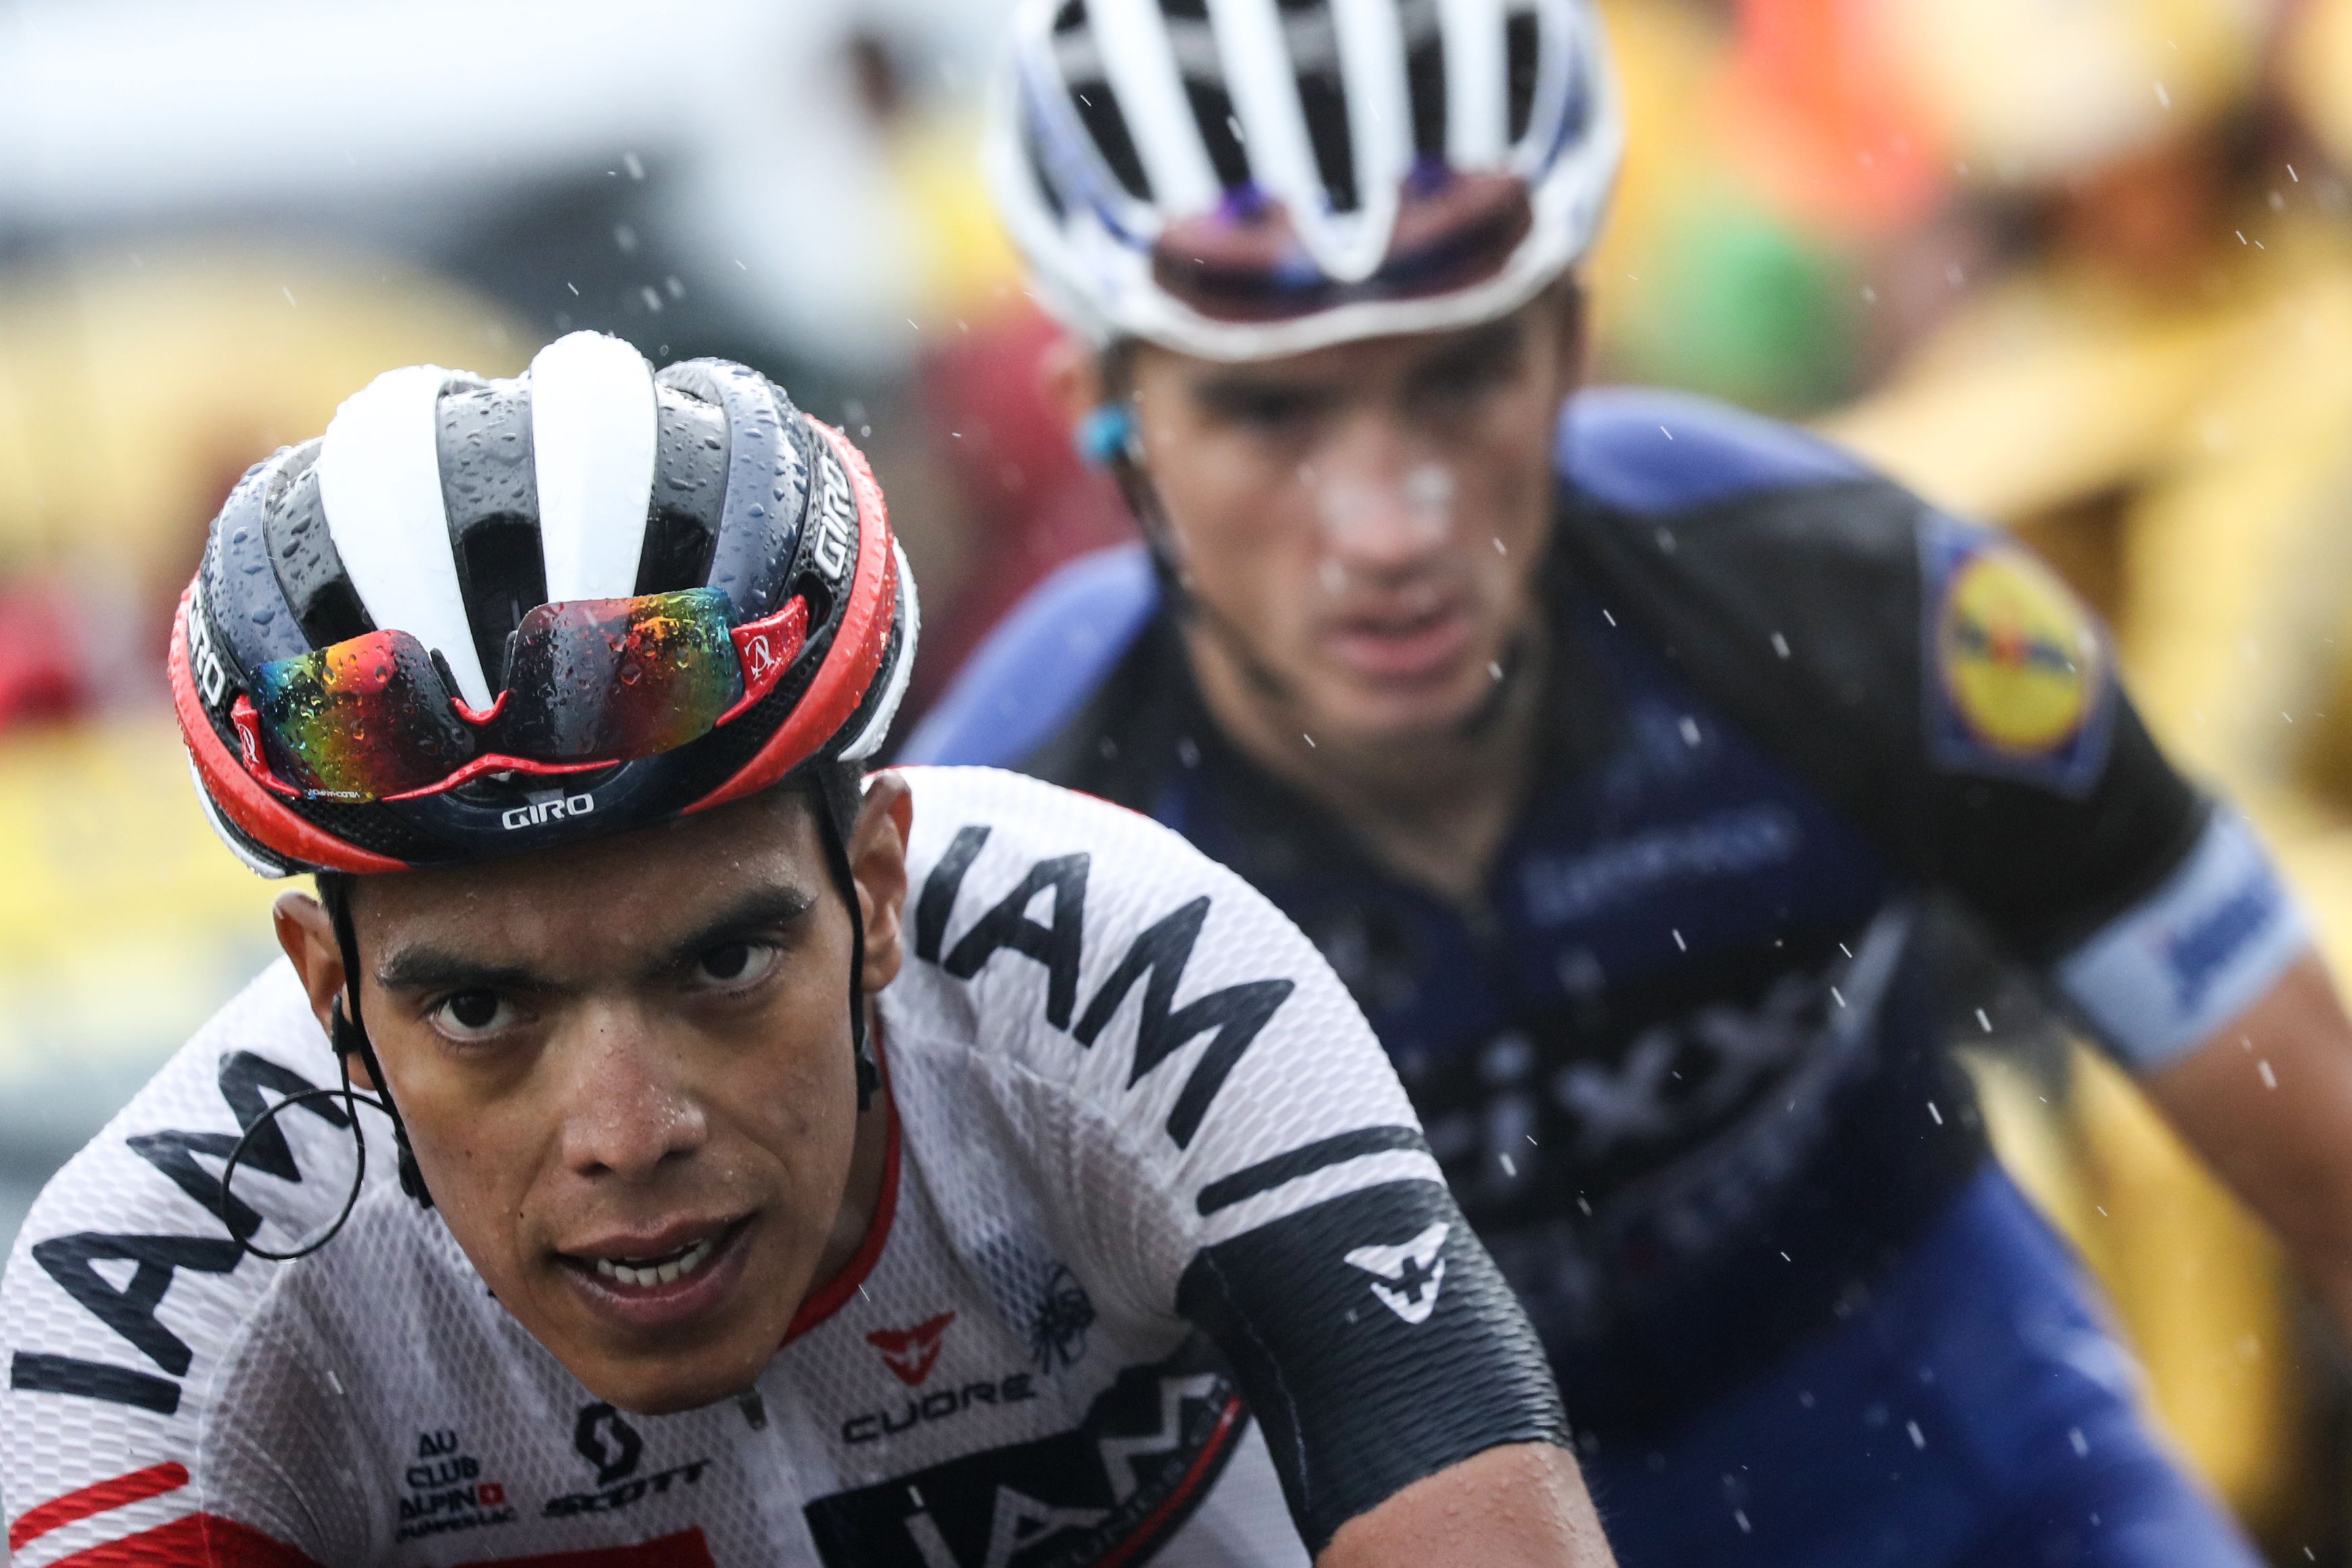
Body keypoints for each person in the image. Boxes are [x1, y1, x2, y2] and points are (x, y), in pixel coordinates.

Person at [905, 1, 2352, 1561]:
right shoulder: (1001, 854)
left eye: (1461, 377)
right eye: (1270, 410)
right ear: (1107, 427)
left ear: (1570, 346)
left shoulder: (1844, 602)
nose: (1391, 522)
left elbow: (2324, 1143)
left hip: (1981, 1470)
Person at [0, 334, 1617, 1568]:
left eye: (722, 968)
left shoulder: (1130, 972)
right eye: (483, 1008)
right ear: (331, 996)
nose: (631, 1134)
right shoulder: (164, 1307)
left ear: (878, 885)